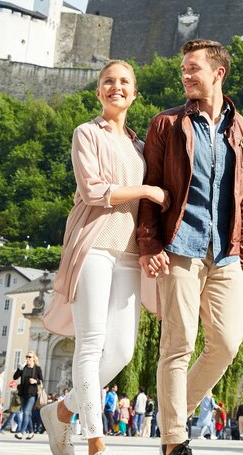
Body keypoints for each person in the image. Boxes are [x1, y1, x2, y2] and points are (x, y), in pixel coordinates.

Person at [40, 60, 169, 455]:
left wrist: (154, 246)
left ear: (135, 93)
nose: (116, 87)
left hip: (129, 252)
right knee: (92, 343)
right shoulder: (86, 133)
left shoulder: (140, 146)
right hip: (93, 243)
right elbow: (95, 190)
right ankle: (94, 438)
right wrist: (146, 190)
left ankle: (62, 412)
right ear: (99, 92)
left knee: (121, 351)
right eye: (108, 82)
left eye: (124, 82)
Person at [137, 38, 243, 455]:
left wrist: (242, 254)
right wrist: (150, 243)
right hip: (180, 245)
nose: (185, 76)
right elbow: (150, 187)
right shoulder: (167, 124)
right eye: (183, 70)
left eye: (193, 69)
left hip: (224, 251)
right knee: (179, 342)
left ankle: (173, 414)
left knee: (227, 341)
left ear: (218, 73)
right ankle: (174, 440)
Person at [12, 352, 44, 439]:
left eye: (29, 357)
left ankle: (21, 432)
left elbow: (41, 381)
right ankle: (31, 431)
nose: (28, 358)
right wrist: (19, 368)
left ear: (34, 358)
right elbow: (15, 377)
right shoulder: (23, 368)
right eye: (27, 357)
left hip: (32, 394)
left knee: (25, 412)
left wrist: (35, 381)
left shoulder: (37, 368)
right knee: (28, 414)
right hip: (23, 393)